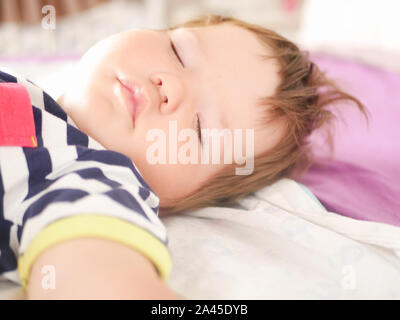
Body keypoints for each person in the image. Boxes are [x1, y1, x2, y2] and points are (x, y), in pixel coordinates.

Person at [0, 14, 367, 299]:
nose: (169, 85)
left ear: (178, 201)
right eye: (178, 51)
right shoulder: (29, 90)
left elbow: (93, 276)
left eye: (200, 131)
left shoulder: (91, 179)